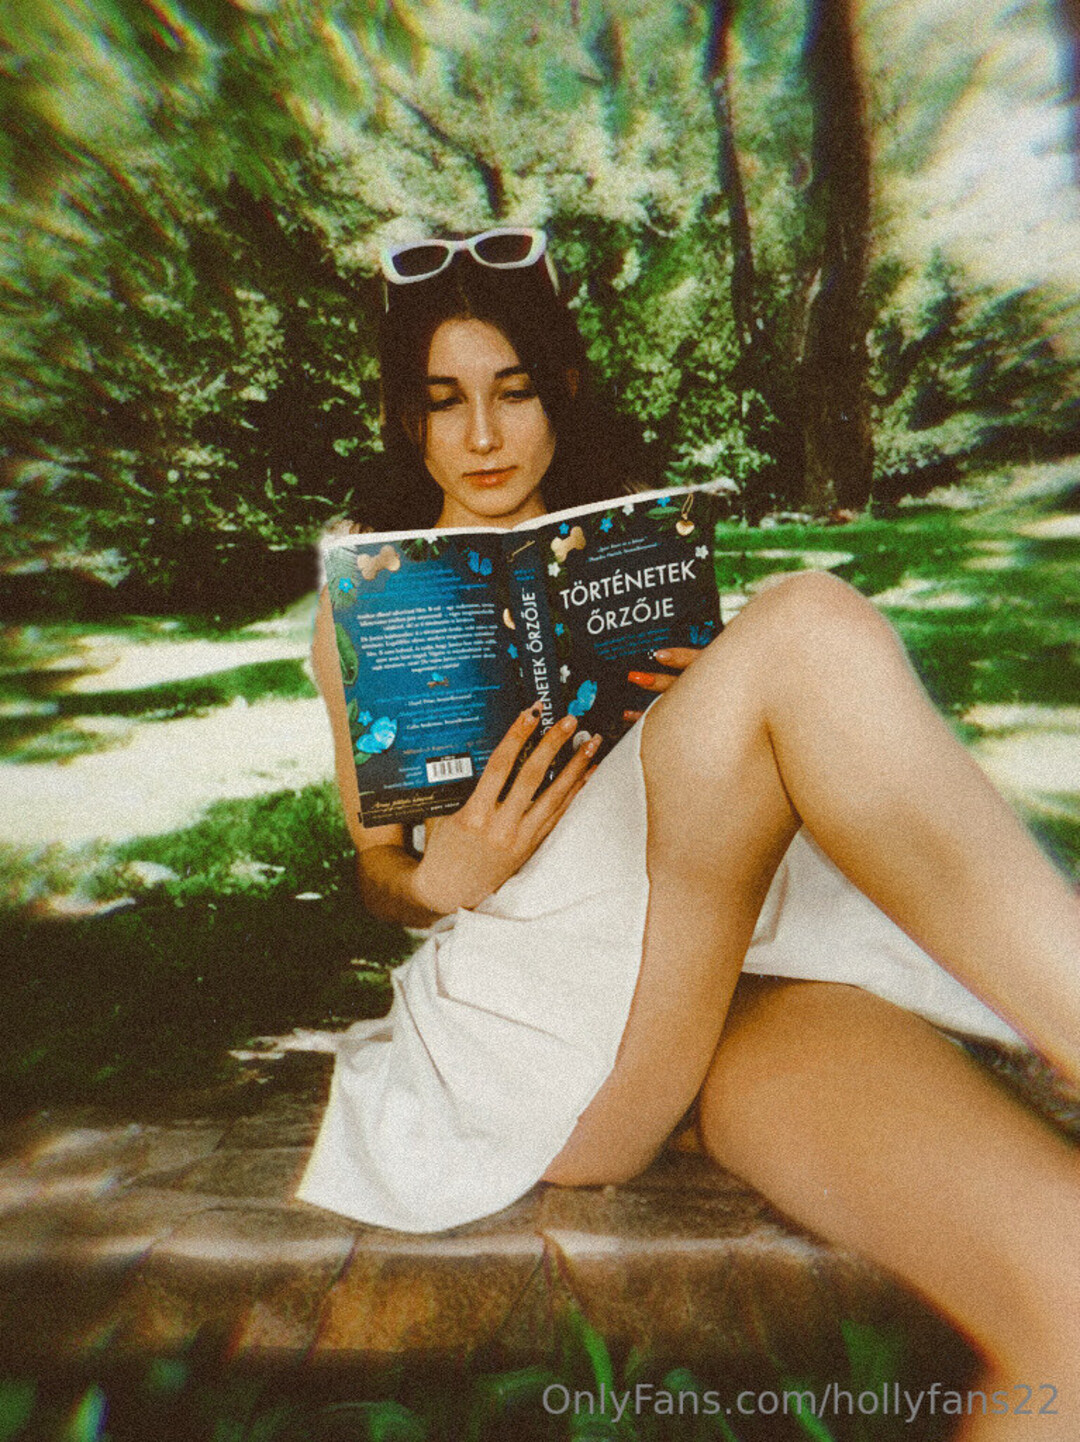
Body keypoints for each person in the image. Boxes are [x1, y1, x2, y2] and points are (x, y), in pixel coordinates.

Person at [297, 228, 1080, 1439]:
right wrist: (443, 878)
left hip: (730, 988)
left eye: (513, 390)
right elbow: (378, 876)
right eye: (446, 401)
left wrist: (695, 694)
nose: (484, 435)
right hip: (569, 1038)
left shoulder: (631, 557)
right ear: (409, 417)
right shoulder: (368, 613)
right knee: (808, 621)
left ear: (560, 387)